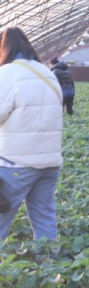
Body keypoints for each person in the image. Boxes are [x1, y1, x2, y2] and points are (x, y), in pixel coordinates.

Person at [0, 27, 63, 241]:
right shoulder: (46, 72)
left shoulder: (7, 72)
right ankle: (50, 268)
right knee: (44, 218)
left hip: (16, 163)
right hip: (50, 163)